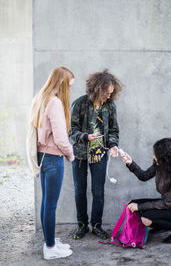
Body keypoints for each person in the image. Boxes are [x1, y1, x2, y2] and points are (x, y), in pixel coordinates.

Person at [70, 69, 122, 240]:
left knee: (98, 192)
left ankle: (97, 225)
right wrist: (85, 137)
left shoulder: (110, 106)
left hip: (99, 154)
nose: (109, 96)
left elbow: (114, 129)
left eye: (111, 93)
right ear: (97, 89)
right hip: (80, 155)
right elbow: (71, 131)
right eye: (107, 92)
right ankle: (82, 225)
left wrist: (113, 145)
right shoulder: (79, 104)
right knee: (79, 191)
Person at [30, 66, 75, 259]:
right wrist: (70, 154)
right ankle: (49, 248)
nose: (70, 89)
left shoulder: (41, 98)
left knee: (46, 202)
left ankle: (49, 240)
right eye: (70, 84)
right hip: (53, 158)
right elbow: (61, 138)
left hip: (42, 156)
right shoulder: (55, 102)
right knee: (50, 205)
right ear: (63, 83)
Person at [120, 138, 171, 244]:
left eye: (155, 154)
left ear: (165, 157)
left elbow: (165, 203)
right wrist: (130, 163)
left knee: (146, 218)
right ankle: (161, 224)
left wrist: (140, 207)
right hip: (166, 204)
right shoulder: (159, 165)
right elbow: (144, 176)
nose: (153, 157)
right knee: (132, 204)